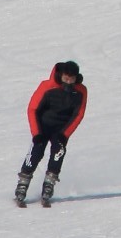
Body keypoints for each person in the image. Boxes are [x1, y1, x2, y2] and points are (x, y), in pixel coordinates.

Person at [15, 60, 86, 206]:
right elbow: (32, 109)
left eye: (71, 79)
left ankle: (49, 183)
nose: (68, 81)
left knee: (58, 153)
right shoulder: (47, 86)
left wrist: (65, 134)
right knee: (35, 154)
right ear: (61, 75)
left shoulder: (81, 91)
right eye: (66, 78)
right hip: (43, 127)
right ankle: (23, 183)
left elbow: (78, 114)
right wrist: (36, 133)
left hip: (61, 130)